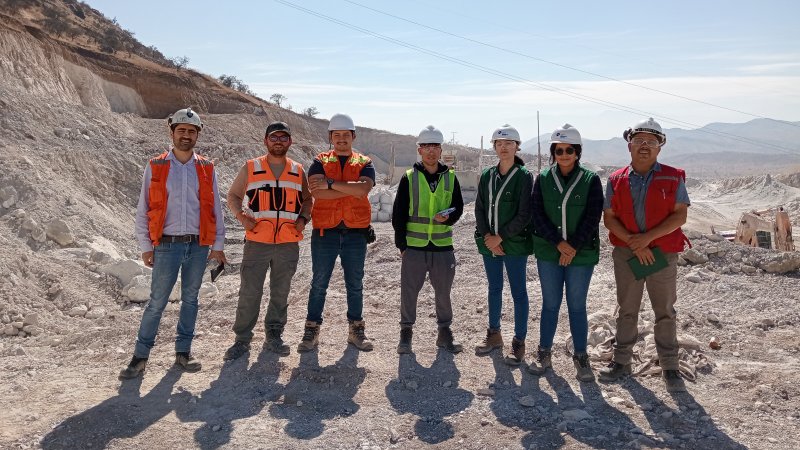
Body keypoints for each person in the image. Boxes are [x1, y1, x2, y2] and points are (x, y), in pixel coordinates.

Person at [120, 107, 226, 379]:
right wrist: (146, 246)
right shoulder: (156, 166)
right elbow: (143, 207)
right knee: (157, 302)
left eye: (191, 131)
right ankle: (140, 357)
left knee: (190, 300)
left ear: (197, 135)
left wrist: (218, 244)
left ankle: (183, 352)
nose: (186, 135)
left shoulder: (206, 168)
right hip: (166, 246)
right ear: (172, 133)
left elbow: (215, 207)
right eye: (181, 130)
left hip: (198, 245)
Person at [599, 118, 691, 392]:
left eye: (651, 141)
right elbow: (609, 218)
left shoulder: (673, 177)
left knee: (665, 311)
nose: (644, 146)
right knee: (627, 309)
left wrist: (647, 239)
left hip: (661, 254)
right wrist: (635, 243)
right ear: (629, 145)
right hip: (627, 253)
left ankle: (670, 366)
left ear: (660, 147)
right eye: (639, 140)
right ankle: (621, 361)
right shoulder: (616, 179)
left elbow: (680, 216)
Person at [223, 122, 312, 360]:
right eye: (274, 137)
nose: (278, 141)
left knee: (280, 292)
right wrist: (241, 217)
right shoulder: (251, 167)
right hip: (257, 242)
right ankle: (242, 339)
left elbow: (307, 199)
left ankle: (274, 335)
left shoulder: (297, 170)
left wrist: (303, 219)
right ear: (265, 141)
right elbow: (233, 195)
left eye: (283, 137)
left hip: (287, 242)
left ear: (290, 142)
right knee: (249, 292)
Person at [527, 124, 603, 382]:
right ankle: (544, 352)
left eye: (569, 150)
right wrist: (559, 244)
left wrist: (572, 247)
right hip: (550, 252)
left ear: (577, 152)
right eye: (559, 150)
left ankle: (581, 356)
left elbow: (593, 217)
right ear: (553, 153)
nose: (564, 155)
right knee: (550, 304)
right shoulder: (543, 179)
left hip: (581, 254)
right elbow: (537, 214)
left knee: (577, 305)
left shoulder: (591, 180)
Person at [297, 113, 376, 352]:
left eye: (346, 135)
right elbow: (317, 192)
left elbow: (363, 190)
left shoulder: (365, 162)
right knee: (319, 283)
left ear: (353, 136)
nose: (341, 139)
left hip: (356, 233)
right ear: (331, 137)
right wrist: (350, 189)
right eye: (337, 135)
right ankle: (311, 329)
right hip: (325, 232)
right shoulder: (319, 161)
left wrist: (331, 184)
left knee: (355, 284)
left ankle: (356, 330)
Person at [392, 125, 465, 354]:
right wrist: (402, 245)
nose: (431, 151)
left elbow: (458, 207)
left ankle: (444, 332)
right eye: (426, 146)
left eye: (435, 146)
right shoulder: (409, 178)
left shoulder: (450, 177)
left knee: (443, 292)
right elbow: (398, 214)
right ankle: (406, 333)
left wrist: (449, 218)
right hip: (414, 247)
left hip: (442, 246)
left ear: (441, 150)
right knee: (409, 292)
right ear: (419, 150)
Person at [474, 124, 534, 365]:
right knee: (494, 288)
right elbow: (479, 208)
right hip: (490, 243)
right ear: (494, 147)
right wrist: (488, 237)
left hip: (515, 244)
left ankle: (519, 341)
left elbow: (525, 213)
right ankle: (494, 334)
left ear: (517, 146)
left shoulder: (524, 176)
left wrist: (501, 237)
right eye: (499, 143)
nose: (504, 147)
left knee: (519, 292)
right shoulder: (487, 175)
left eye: (509, 143)